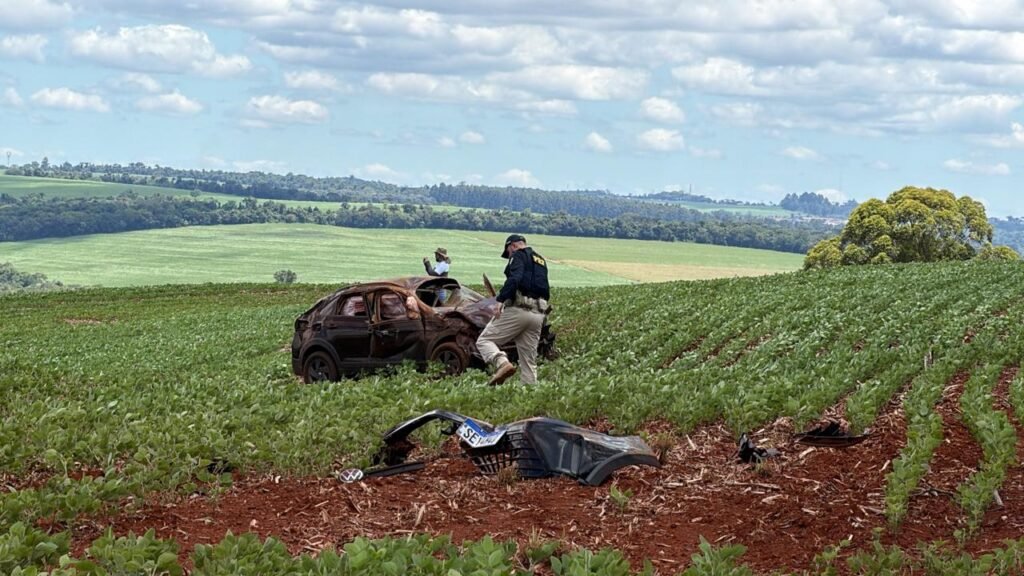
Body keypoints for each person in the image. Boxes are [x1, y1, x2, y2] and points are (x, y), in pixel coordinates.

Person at [476, 234, 550, 386]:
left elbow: (515, 278)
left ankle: (502, 364)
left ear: (513, 246)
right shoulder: (541, 260)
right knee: (528, 362)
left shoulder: (518, 256)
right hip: (538, 314)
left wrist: (500, 300)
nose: (509, 255)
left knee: (484, 340)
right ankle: (529, 396)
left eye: (508, 252)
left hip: (519, 310)